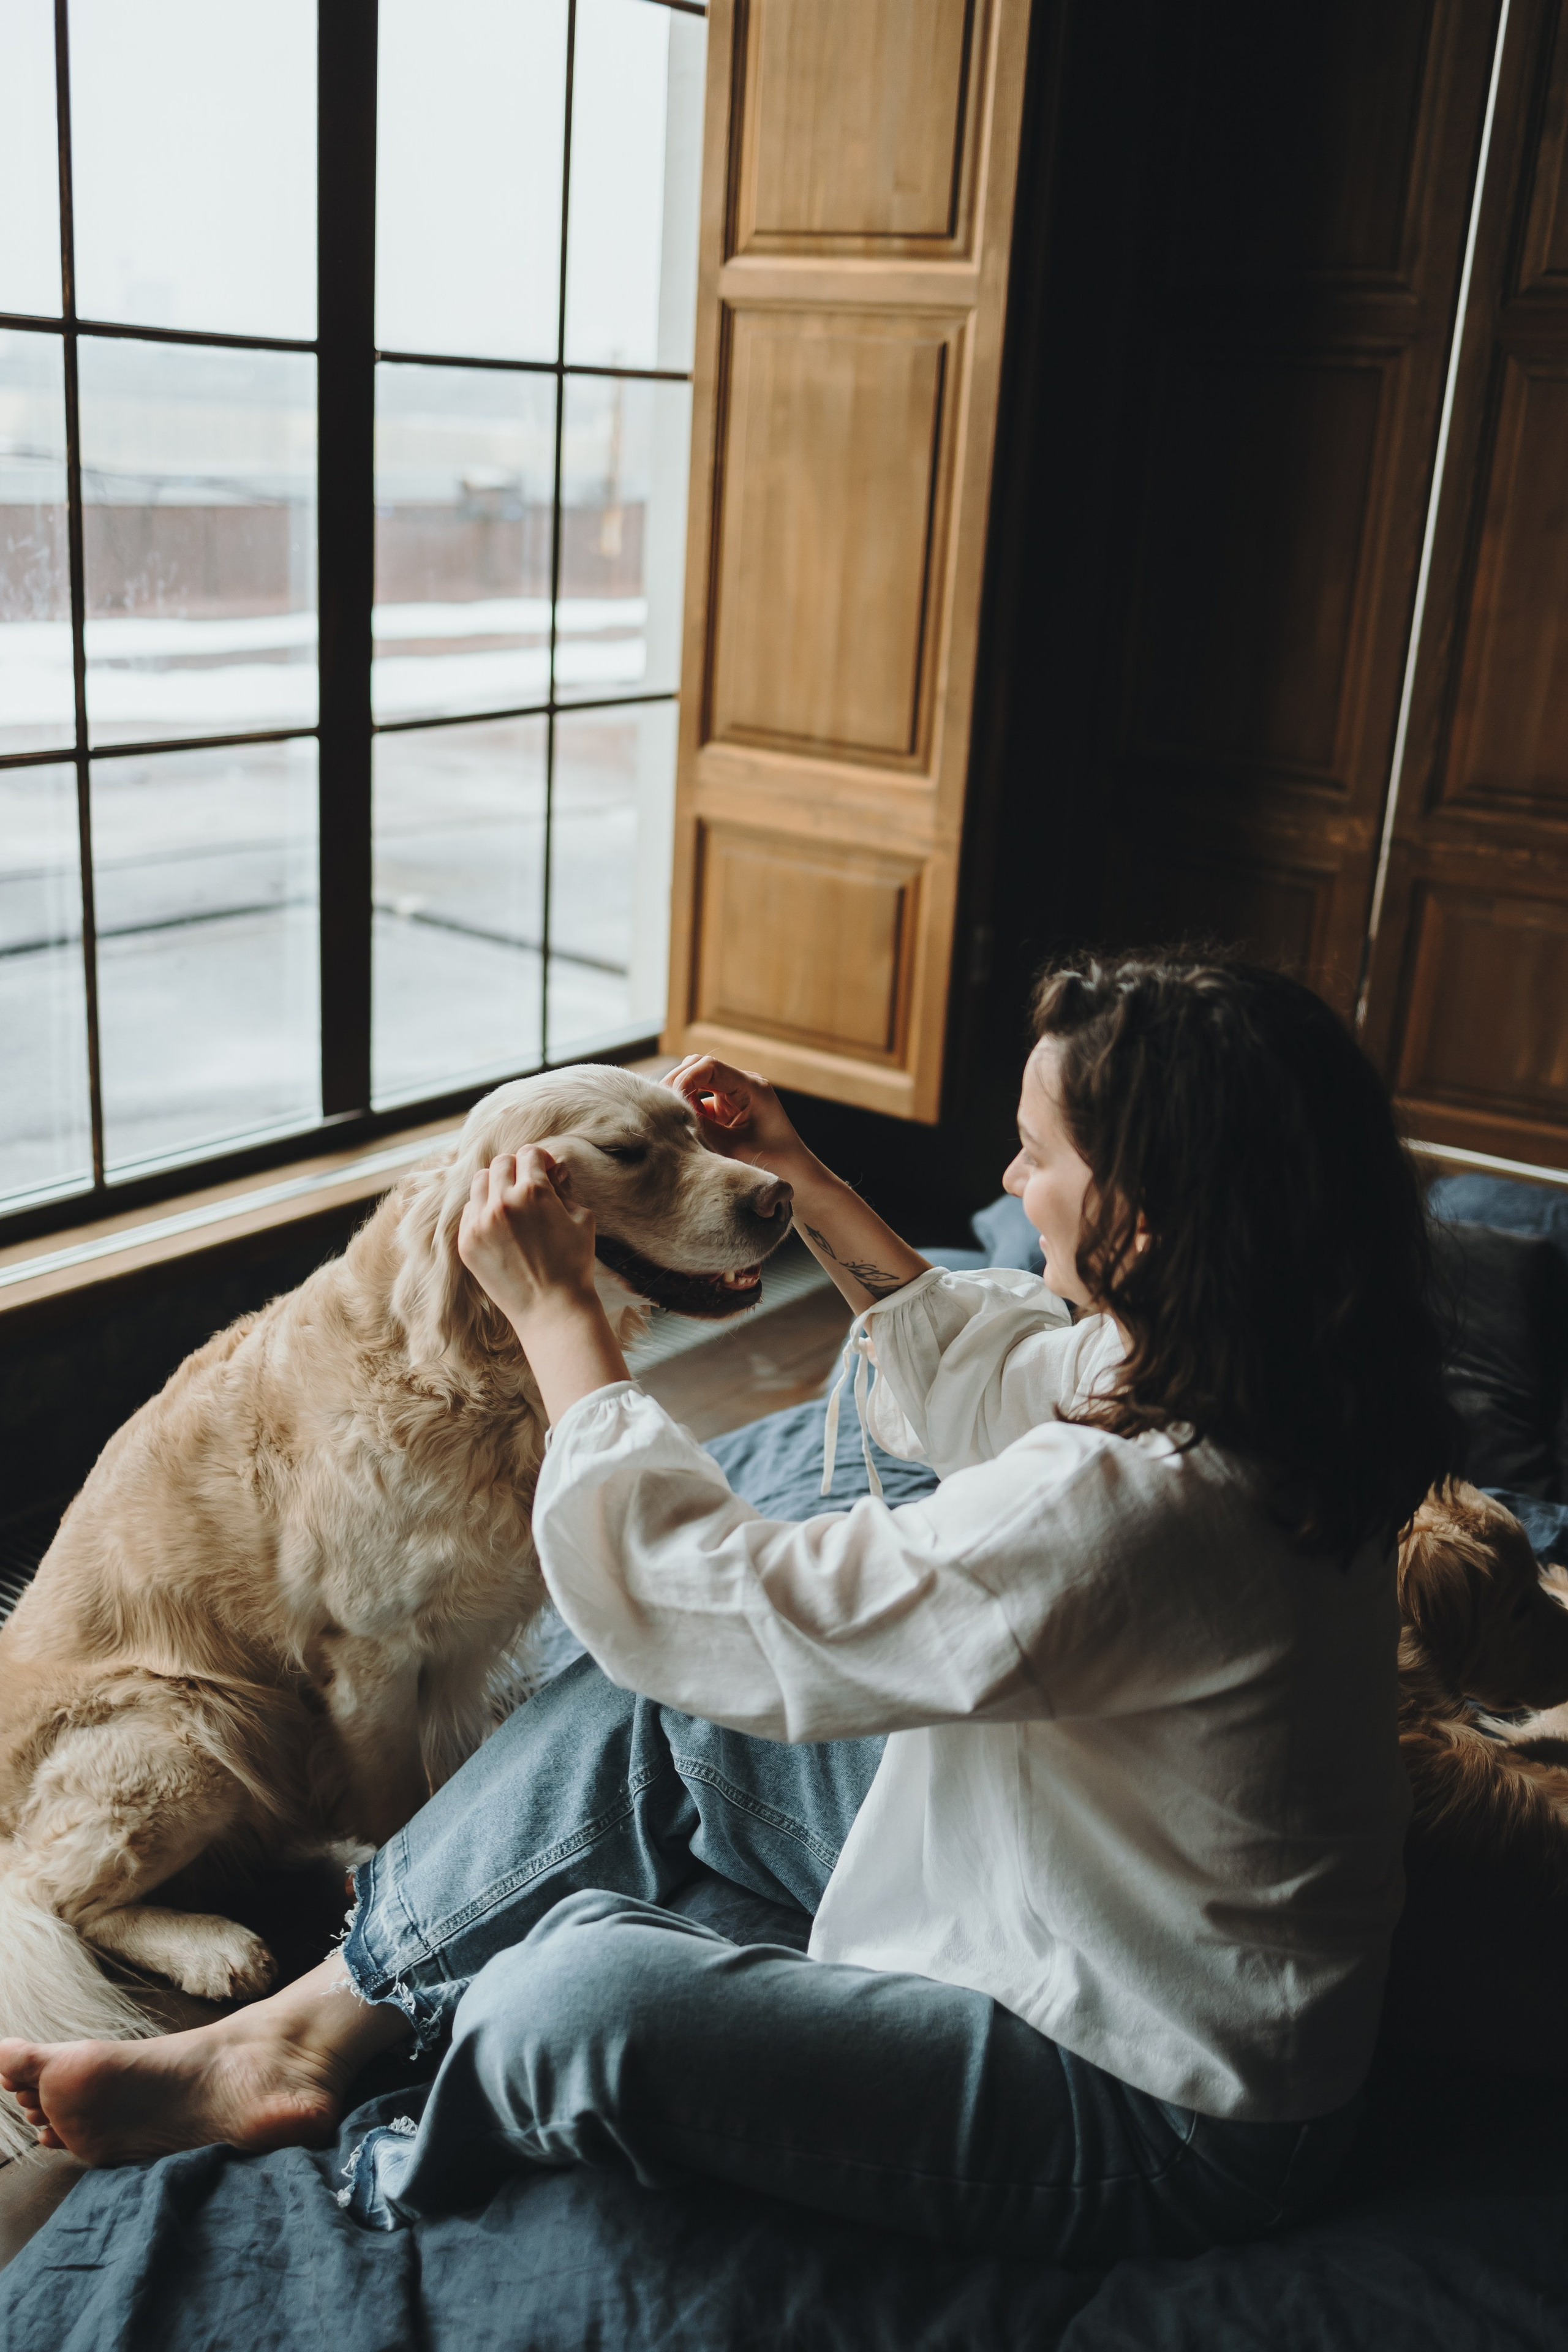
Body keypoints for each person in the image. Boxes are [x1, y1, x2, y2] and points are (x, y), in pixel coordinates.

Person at [0, 952, 1453, 2263]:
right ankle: (299, 2030)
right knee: (634, 1711)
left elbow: (713, 1608)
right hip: (1050, 1883)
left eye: (1033, 1158)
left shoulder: (1138, 1511)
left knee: (568, 2002)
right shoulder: (1259, 1373)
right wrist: (800, 1175)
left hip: (1155, 2099)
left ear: (1138, 1215)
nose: (1011, 1189)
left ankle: (390, 2131)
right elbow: (991, 1374)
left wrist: (564, 1322)